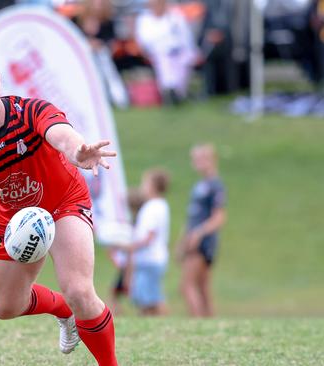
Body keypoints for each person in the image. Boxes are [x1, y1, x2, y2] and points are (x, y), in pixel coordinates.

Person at [0, 48, 119, 365]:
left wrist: (78, 151)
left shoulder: (29, 111)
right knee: (5, 307)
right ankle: (62, 310)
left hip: (64, 202)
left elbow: (62, 135)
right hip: (14, 219)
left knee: (79, 290)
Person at [177, 144, 227, 318]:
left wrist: (199, 233)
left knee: (187, 285)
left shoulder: (215, 185)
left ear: (212, 160)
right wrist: (182, 240)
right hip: (192, 239)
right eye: (195, 159)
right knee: (202, 286)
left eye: (201, 158)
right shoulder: (200, 184)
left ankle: (197, 323)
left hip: (202, 242)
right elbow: (192, 217)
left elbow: (219, 217)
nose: (197, 163)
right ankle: (210, 324)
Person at [123, 169, 170, 316]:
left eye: (145, 183)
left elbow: (149, 236)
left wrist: (132, 246)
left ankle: (160, 319)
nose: (142, 187)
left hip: (150, 259)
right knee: (144, 296)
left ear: (153, 186)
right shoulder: (158, 205)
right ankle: (147, 317)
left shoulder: (153, 207)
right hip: (150, 259)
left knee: (151, 298)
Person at [135, 0, 199, 105]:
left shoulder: (175, 16)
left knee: (184, 64)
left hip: (179, 51)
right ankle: (169, 93)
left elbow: (186, 36)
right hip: (159, 53)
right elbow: (145, 40)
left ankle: (179, 94)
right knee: (165, 69)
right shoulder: (144, 19)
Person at [106, 187, 145, 315]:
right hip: (129, 264)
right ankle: (120, 315)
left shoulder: (137, 222)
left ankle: (118, 315)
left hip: (130, 265)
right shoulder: (136, 220)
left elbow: (131, 249)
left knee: (120, 294)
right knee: (116, 293)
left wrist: (116, 246)